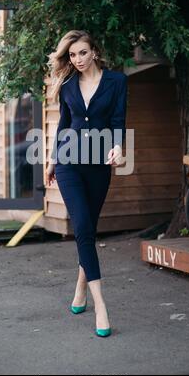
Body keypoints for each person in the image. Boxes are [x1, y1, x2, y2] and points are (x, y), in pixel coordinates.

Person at [45, 30, 128, 337]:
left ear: (94, 51)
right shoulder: (67, 85)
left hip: (98, 166)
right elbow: (64, 124)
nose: (77, 59)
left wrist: (118, 148)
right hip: (69, 164)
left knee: (88, 231)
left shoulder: (117, 82)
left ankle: (80, 289)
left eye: (82, 53)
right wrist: (53, 159)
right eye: (72, 55)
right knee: (81, 227)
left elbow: (118, 121)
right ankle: (101, 305)